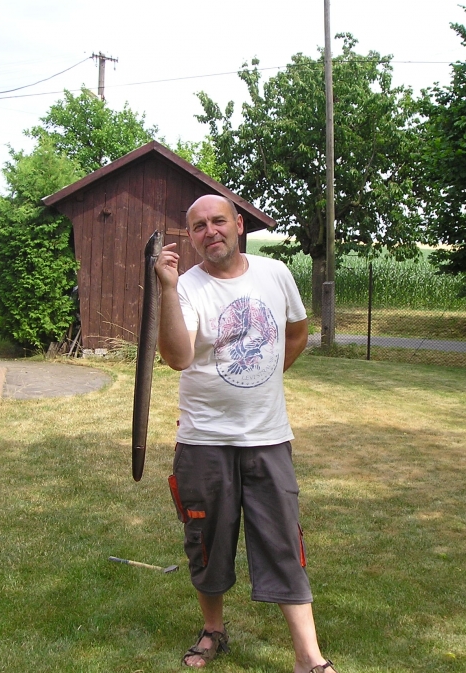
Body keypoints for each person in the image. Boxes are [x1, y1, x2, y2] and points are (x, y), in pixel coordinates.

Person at [155, 194, 337, 673]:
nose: (210, 231)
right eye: (198, 226)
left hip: (268, 437)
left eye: (218, 221)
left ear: (238, 224)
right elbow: (176, 357)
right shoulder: (186, 286)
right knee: (206, 541)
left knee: (283, 541)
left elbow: (296, 332)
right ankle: (212, 630)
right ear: (190, 236)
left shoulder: (275, 273)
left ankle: (308, 657)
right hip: (204, 441)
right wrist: (167, 289)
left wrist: (267, 377)